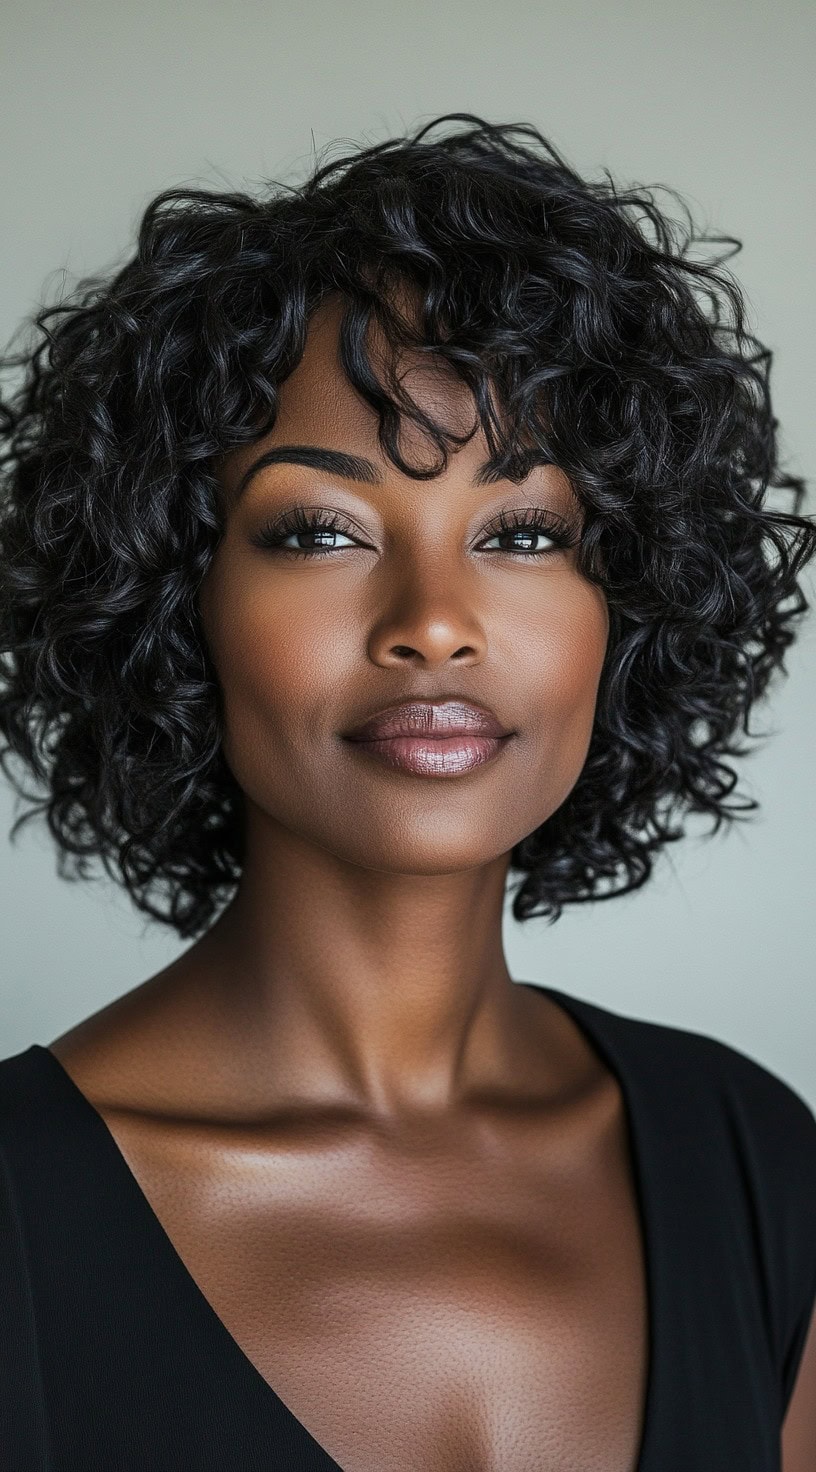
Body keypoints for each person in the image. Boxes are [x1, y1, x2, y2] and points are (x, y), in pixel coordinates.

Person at [0, 113, 814, 1471]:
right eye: (320, 530)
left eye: (524, 532)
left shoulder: (754, 1166)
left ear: (631, 604)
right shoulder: (19, 1217)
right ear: (167, 596)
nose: (434, 623)